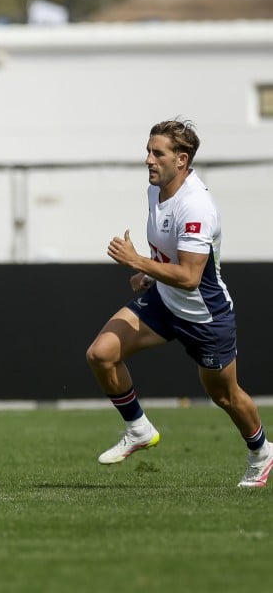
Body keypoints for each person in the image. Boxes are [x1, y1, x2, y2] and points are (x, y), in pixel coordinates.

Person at [86, 118, 272, 488]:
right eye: (148, 151)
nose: (148, 160)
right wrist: (149, 276)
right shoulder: (155, 191)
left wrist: (138, 262)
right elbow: (170, 256)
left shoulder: (197, 205)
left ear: (182, 159)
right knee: (101, 354)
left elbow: (189, 277)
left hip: (205, 317)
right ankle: (139, 430)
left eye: (158, 153)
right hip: (164, 302)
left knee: (226, 396)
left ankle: (261, 452)